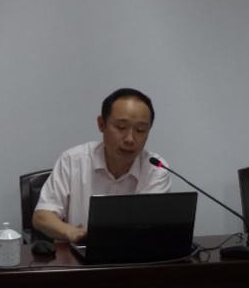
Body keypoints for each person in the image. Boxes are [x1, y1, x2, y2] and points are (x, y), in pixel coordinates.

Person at [31, 87, 171, 244]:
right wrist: (72, 232)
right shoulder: (72, 161)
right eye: (121, 127)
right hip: (78, 254)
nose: (130, 139)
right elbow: (42, 216)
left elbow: (152, 228)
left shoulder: (156, 169)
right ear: (101, 124)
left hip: (133, 255)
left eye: (140, 130)